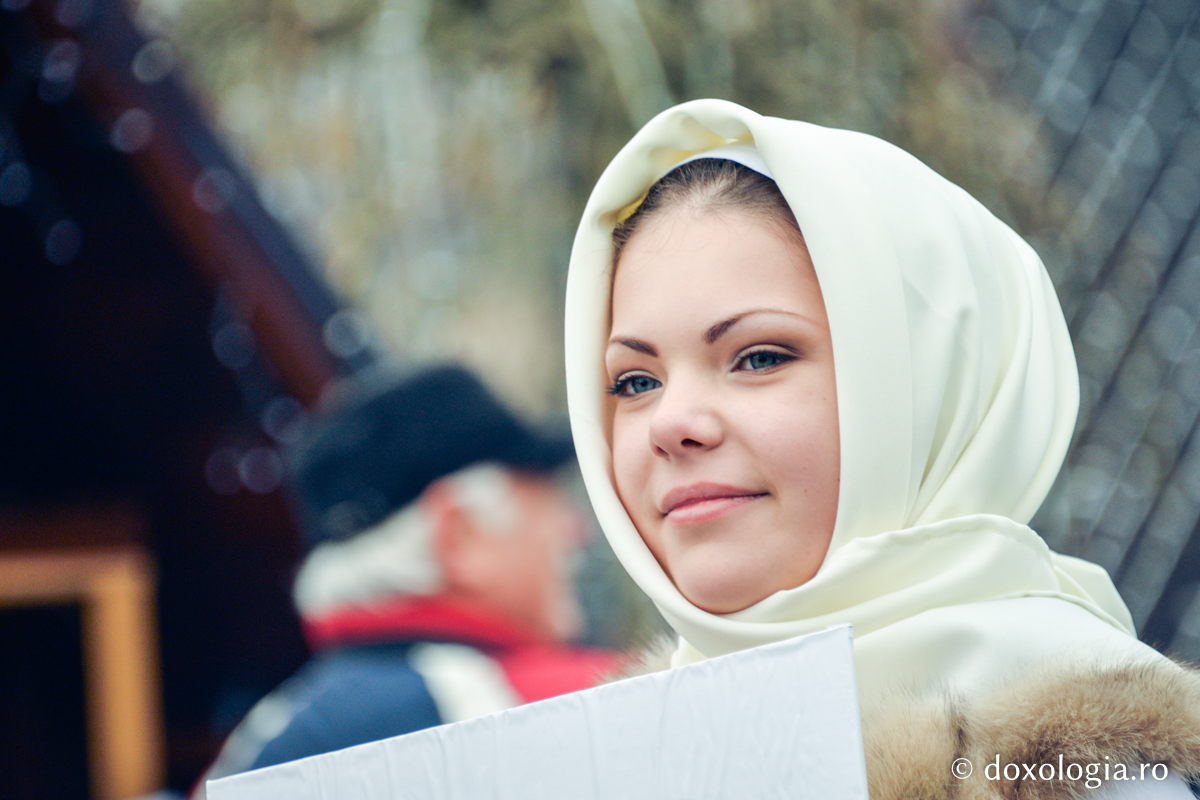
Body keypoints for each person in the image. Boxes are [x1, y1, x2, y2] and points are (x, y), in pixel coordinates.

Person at [563, 99, 1200, 799]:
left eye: (760, 357)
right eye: (634, 380)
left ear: (926, 386)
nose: (669, 422)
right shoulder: (597, 757)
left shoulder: (1079, 764)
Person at [191, 364, 616, 796]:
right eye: (548, 497)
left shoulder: (266, 738)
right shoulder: (545, 704)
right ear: (460, 535)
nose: (578, 529)